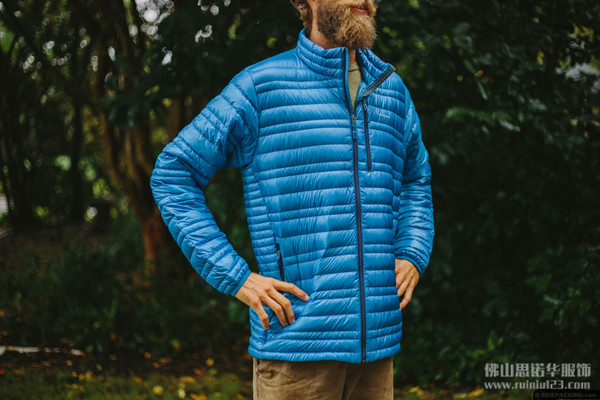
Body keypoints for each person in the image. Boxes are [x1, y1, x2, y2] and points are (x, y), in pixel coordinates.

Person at [150, 0, 434, 398]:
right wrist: (237, 277)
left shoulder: (391, 90)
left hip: (376, 353)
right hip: (295, 350)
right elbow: (173, 173)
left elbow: (415, 178)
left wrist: (412, 251)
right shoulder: (261, 87)